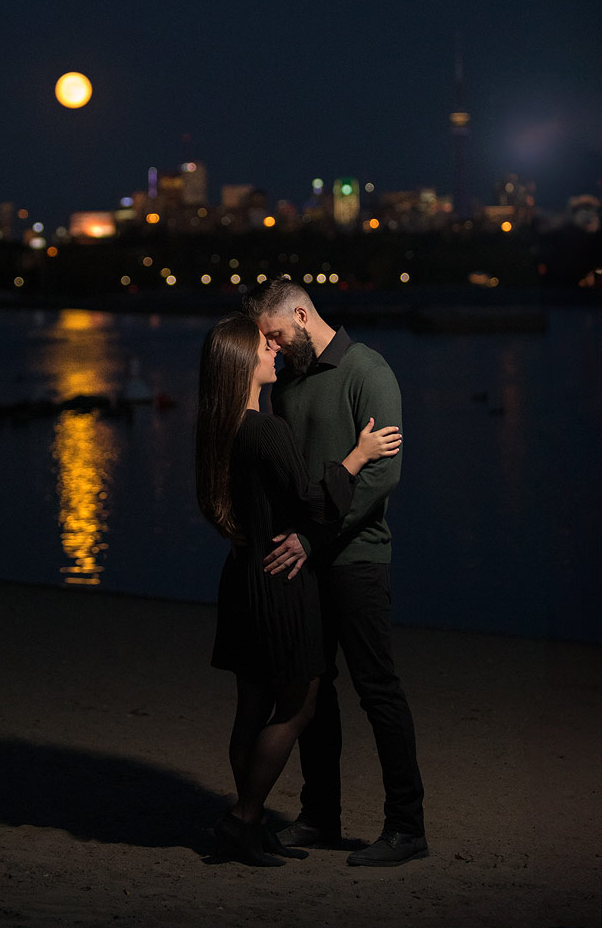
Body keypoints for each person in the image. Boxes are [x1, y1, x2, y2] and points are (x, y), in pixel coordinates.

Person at [196, 313, 402, 867]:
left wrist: (245, 534)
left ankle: (253, 819)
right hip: (280, 581)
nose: (273, 351)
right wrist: (357, 456)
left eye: (273, 338)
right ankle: (243, 819)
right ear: (244, 363)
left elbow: (216, 503)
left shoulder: (216, 427)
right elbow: (313, 502)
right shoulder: (266, 428)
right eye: (263, 345)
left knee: (252, 705)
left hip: (242, 576)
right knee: (299, 704)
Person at [242, 277, 428, 868]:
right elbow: (294, 478)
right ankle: (321, 817)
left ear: (302, 314)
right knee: (311, 697)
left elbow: (382, 477)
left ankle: (406, 827)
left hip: (357, 560)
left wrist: (311, 537)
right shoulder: (289, 381)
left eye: (273, 334)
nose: (270, 347)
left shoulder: (368, 371)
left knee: (379, 692)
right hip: (303, 559)